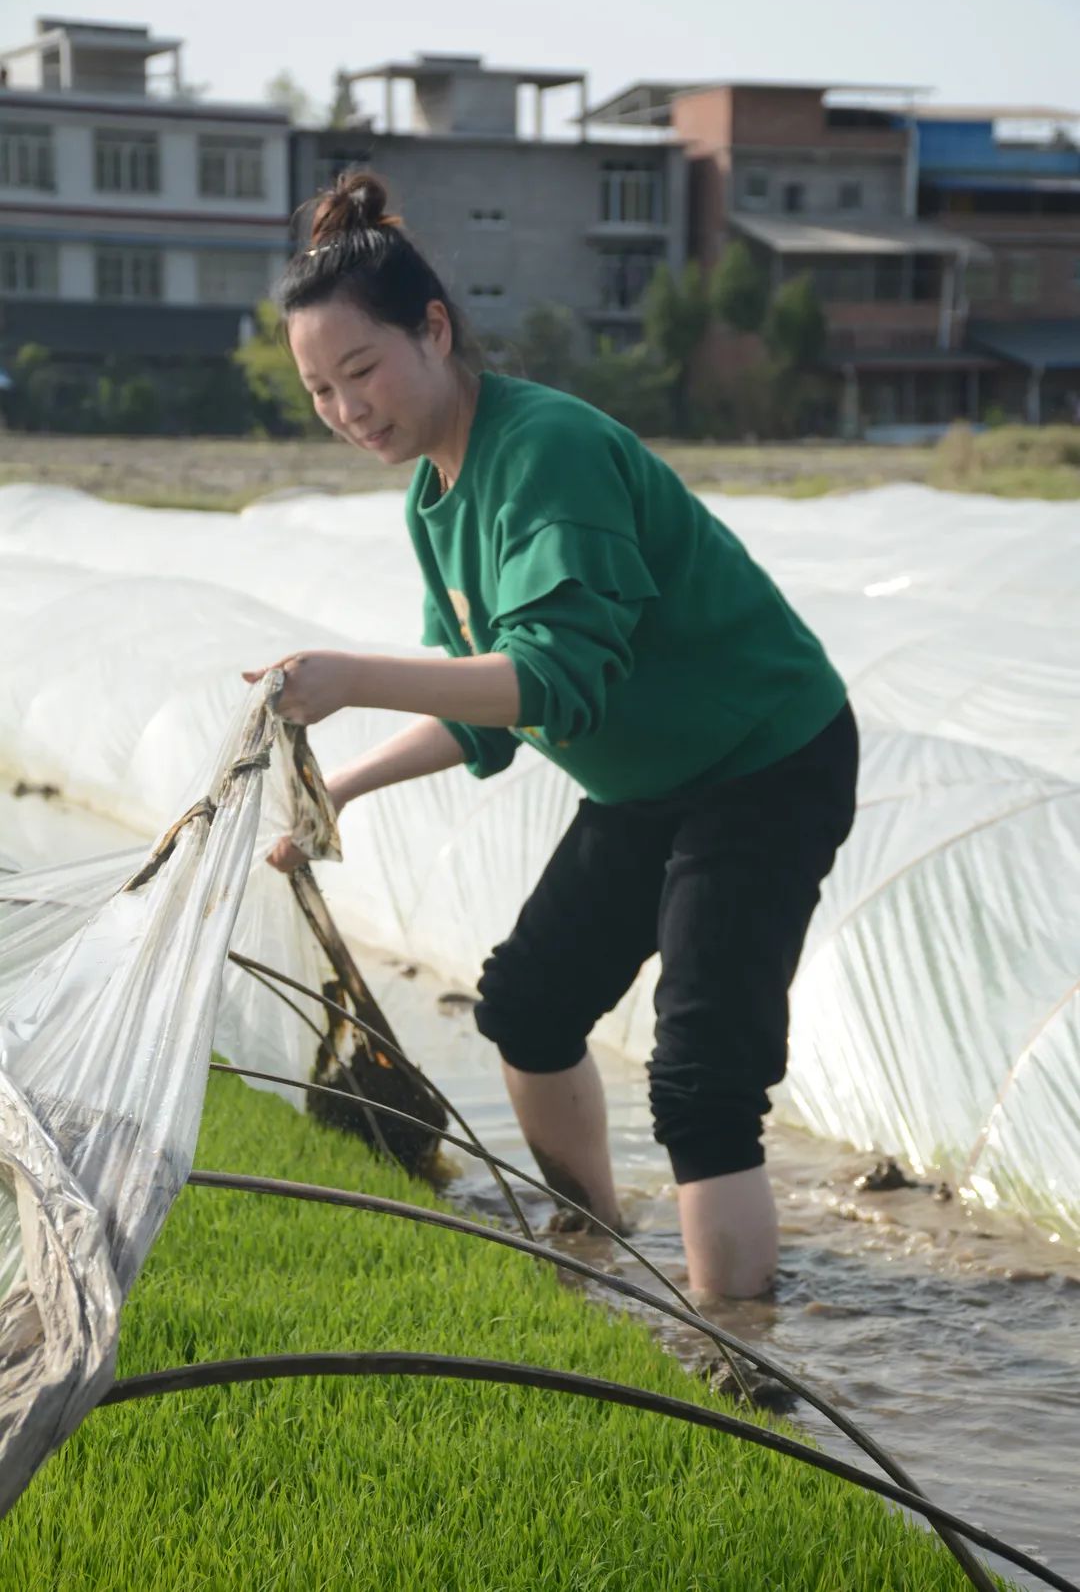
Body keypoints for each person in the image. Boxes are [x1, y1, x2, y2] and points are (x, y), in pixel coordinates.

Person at [246, 170, 858, 1301]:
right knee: (527, 1005)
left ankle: (739, 1347)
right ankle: (595, 1246)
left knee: (701, 1075)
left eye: (362, 370)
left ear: (433, 330)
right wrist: (347, 785)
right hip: (649, 778)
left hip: (762, 762)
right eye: (320, 390)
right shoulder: (437, 492)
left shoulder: (546, 452)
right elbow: (482, 707)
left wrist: (347, 675)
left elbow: (551, 683)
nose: (347, 408)